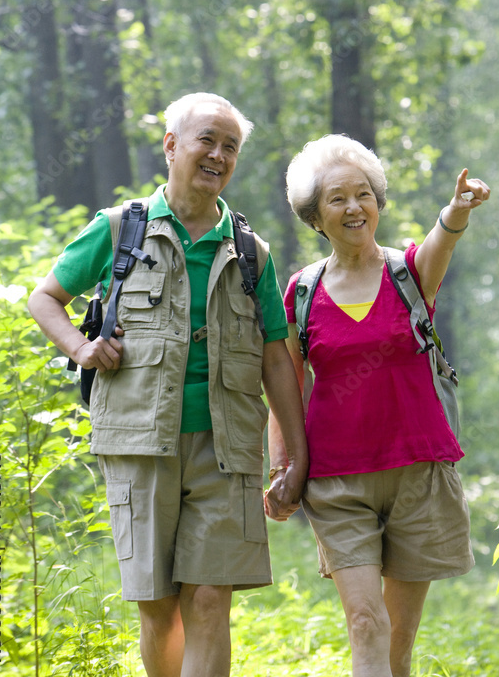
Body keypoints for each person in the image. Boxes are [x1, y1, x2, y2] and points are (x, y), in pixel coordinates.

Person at [28, 92, 308, 677]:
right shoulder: (118, 229)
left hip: (225, 450)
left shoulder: (251, 252)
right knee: (158, 608)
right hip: (138, 446)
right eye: (207, 139)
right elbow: (45, 297)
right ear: (172, 145)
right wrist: (81, 347)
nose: (219, 154)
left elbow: (278, 360)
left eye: (231, 146)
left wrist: (295, 456)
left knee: (209, 600)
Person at [265, 134, 490, 677]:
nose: (353, 207)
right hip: (337, 482)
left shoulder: (409, 273)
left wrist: (456, 210)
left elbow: (442, 244)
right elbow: (285, 387)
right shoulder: (301, 291)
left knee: (398, 645)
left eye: (363, 194)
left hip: (418, 471)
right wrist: (282, 466)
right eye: (337, 198)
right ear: (315, 216)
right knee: (366, 622)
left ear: (378, 203)